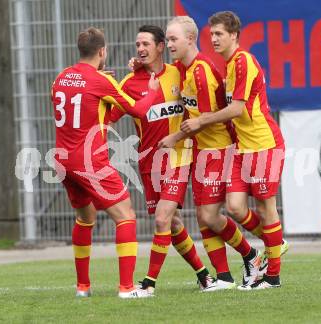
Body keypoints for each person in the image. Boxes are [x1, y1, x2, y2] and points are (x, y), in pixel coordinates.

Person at [180, 11, 287, 289]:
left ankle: (272, 276)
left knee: (266, 209)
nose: (213, 39)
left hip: (264, 144)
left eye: (219, 34)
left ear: (234, 36)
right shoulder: (228, 65)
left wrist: (202, 120)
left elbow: (237, 109)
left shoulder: (243, 62)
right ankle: (275, 244)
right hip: (242, 148)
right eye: (212, 34)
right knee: (235, 207)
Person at [50, 27, 159, 298]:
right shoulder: (101, 81)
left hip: (63, 161)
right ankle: (126, 287)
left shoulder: (61, 77)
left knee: (85, 218)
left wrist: (100, 89)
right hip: (89, 161)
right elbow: (138, 110)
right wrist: (153, 92)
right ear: (102, 51)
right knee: (126, 216)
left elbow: (75, 105)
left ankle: (83, 288)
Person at [109, 25, 216, 295]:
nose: (141, 49)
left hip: (179, 156)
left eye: (146, 44)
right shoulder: (130, 83)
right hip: (149, 163)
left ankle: (148, 283)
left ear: (159, 48)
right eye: (137, 45)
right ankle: (205, 276)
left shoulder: (179, 74)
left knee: (161, 220)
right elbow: (108, 117)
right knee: (172, 223)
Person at [159, 16, 262, 289]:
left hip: (217, 149)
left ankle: (252, 254)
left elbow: (203, 119)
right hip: (201, 150)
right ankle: (224, 278)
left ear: (190, 40)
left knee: (209, 216)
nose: (169, 44)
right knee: (203, 218)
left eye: (173, 39)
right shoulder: (183, 69)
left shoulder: (202, 71)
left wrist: (175, 136)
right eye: (167, 39)